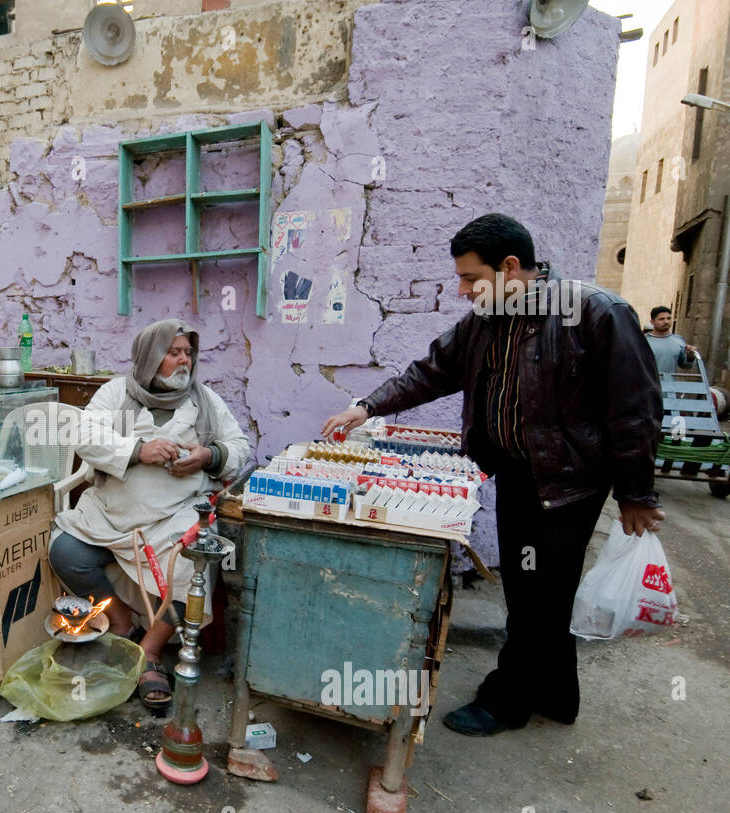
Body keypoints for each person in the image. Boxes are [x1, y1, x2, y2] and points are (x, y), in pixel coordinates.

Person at [322, 213, 663, 737]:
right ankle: (556, 694)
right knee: (538, 591)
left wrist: (636, 493)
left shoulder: (594, 312)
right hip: (516, 476)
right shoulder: (486, 318)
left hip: (567, 485)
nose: (462, 290)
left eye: (469, 278)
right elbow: (432, 371)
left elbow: (635, 408)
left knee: (536, 594)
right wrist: (367, 406)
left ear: (509, 267)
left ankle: (505, 702)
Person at [49, 320, 248, 714]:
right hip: (110, 512)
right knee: (66, 552)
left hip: (174, 514)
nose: (183, 361)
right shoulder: (115, 393)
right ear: (149, 357)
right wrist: (140, 450)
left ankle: (150, 652)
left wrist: (208, 456)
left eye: (187, 353)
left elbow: (240, 446)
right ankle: (122, 622)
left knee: (188, 572)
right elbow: (85, 437)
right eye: (173, 353)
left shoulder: (204, 400)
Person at [645, 306, 699, 376]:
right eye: (661, 319)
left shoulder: (678, 340)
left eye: (669, 318)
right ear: (652, 322)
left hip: (670, 384)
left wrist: (690, 357)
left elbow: (685, 365)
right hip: (647, 385)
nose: (666, 322)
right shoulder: (643, 341)